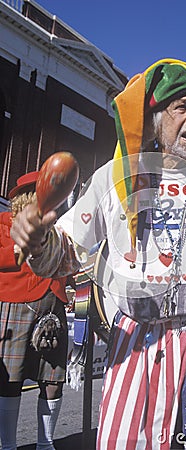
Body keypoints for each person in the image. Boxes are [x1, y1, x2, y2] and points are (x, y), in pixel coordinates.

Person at [10, 59, 186, 449]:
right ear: (156, 120)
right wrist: (39, 239)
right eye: (182, 106)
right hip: (138, 345)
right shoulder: (116, 178)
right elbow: (66, 256)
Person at [0, 172, 69, 450]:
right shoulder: (4, 223)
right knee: (10, 380)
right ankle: (7, 445)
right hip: (15, 304)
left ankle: (45, 444)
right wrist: (22, 246)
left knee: (53, 378)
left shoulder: (60, 228)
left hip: (52, 307)